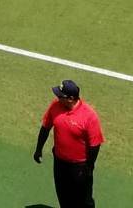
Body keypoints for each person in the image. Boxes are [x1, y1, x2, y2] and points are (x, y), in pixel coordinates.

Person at [34, 79, 104, 207]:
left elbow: (95, 144)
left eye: (61, 96)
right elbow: (45, 127)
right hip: (60, 163)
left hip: (80, 167)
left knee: (84, 201)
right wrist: (38, 149)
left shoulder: (89, 116)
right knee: (63, 196)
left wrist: (89, 167)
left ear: (71, 98)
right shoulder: (55, 106)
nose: (57, 98)